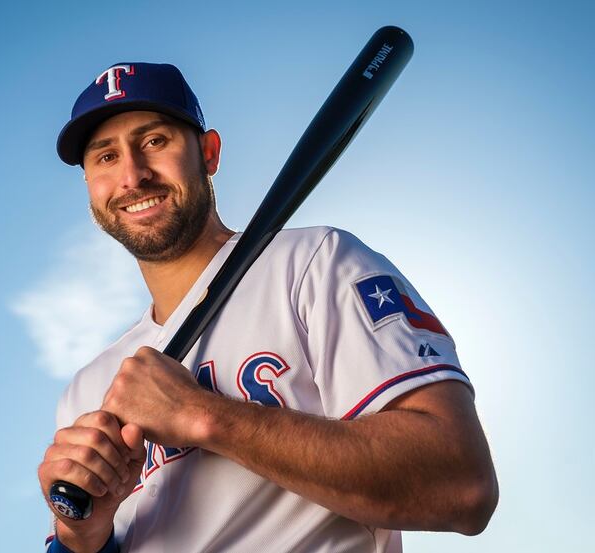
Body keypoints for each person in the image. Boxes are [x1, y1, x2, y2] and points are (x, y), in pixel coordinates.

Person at [38, 62, 498, 553]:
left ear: (209, 153)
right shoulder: (87, 388)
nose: (132, 175)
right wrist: (81, 534)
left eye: (154, 142)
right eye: (106, 157)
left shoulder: (311, 264)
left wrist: (202, 415)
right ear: (90, 185)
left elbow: (459, 484)